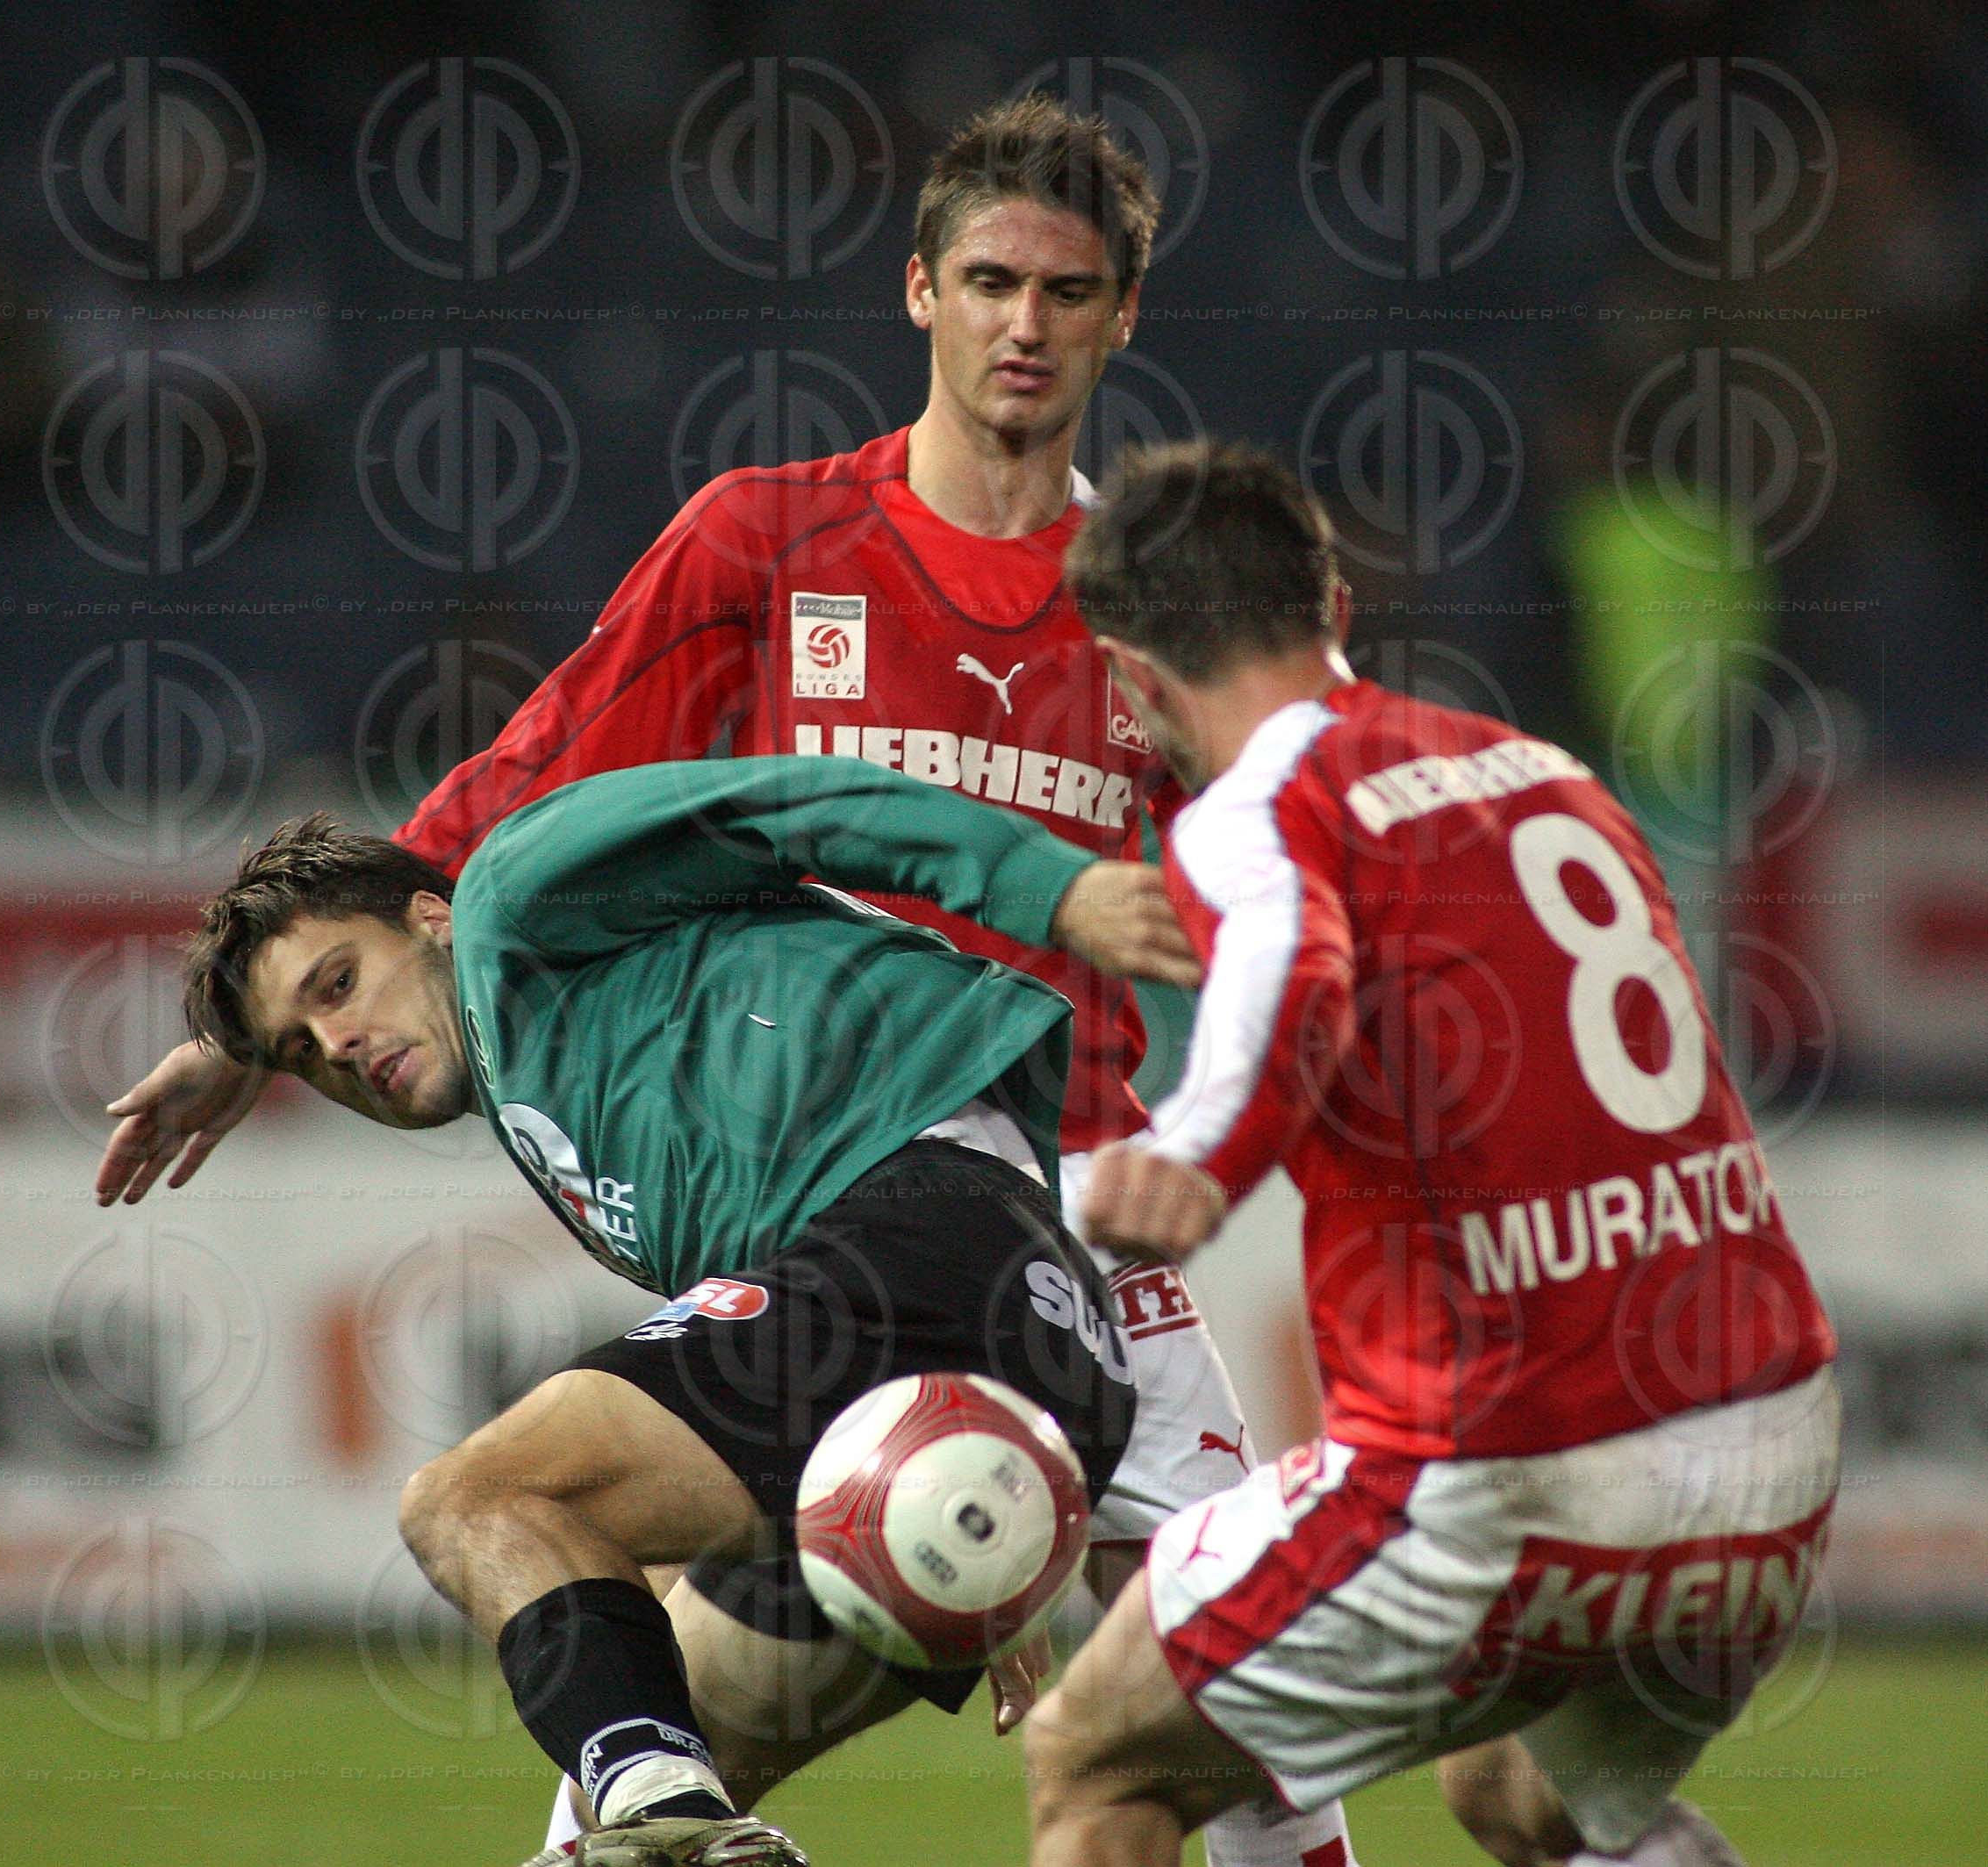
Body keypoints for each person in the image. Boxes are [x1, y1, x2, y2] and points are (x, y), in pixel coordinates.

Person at [98, 95, 1352, 1867]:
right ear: (918, 289)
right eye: (987, 280)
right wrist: (252, 1039)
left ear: (1124, 316)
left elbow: (1311, 869)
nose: (1023, 324)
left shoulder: (1161, 599)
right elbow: (509, 805)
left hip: (1073, 1204)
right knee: (641, 1752)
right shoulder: (766, 542)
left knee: (1248, 1727)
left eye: (1068, 293)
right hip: (812, 1211)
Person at [1022, 440, 1841, 1867]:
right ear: (1332, 599)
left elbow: (1293, 967)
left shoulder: (1257, 810)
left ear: (1133, 679)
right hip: (1764, 1441)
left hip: (1515, 1461)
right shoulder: (1547, 774)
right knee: (1517, 1791)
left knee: (1092, 1753)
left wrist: (1202, 1147)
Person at [182, 753, 1171, 1867]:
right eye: (299, 1054)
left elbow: (794, 804)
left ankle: (663, 1808)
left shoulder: (511, 888)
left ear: (427, 915)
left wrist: (1051, 887)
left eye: (336, 985)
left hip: (930, 1247)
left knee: (475, 1501)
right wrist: (981, 1517)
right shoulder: (561, 1083)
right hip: (1012, 1359)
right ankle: (671, 1812)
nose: (339, 1048)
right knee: (637, 1763)